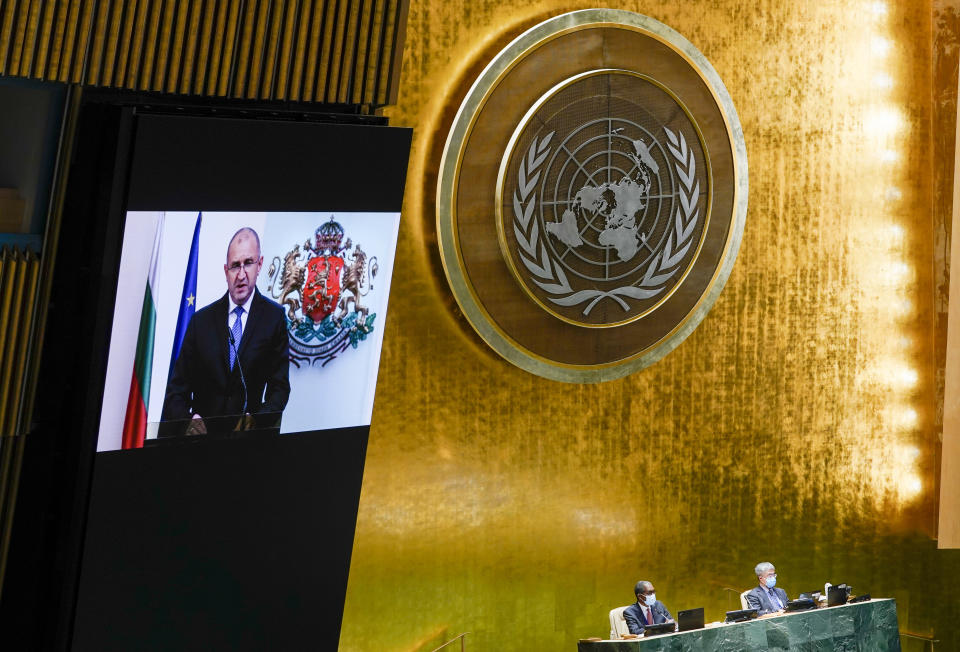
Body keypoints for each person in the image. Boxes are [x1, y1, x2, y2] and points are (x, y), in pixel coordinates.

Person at [161, 227, 290, 433]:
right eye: (234, 266)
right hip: (201, 446)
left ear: (260, 265)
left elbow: (280, 389)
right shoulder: (200, 321)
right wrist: (188, 420)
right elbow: (176, 391)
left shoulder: (273, 318)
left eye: (248, 263)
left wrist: (257, 420)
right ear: (225, 271)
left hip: (247, 448)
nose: (241, 275)